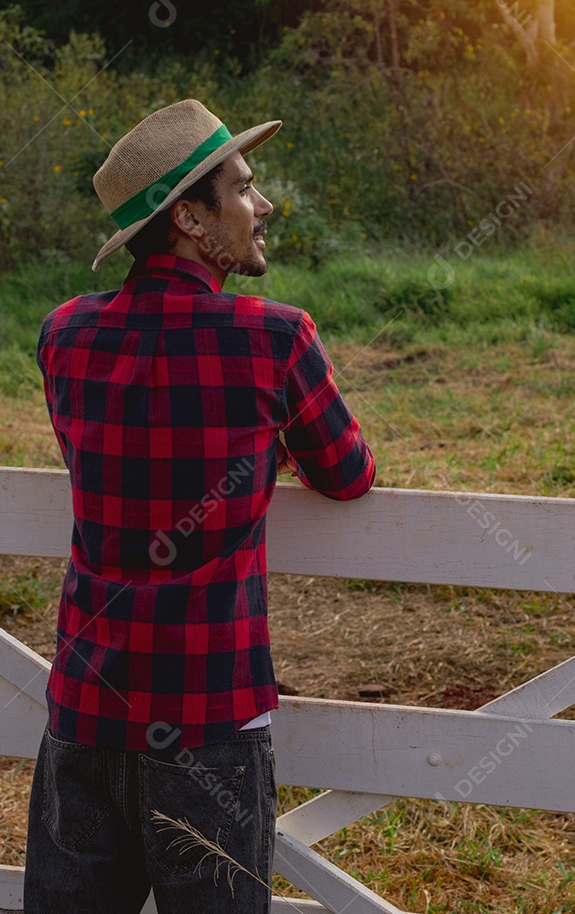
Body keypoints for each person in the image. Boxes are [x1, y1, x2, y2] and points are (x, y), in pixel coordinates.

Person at [24, 98, 376, 913]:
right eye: (244, 190)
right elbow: (349, 474)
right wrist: (270, 440)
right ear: (190, 217)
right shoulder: (273, 338)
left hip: (83, 710)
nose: (263, 206)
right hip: (208, 720)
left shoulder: (63, 335)